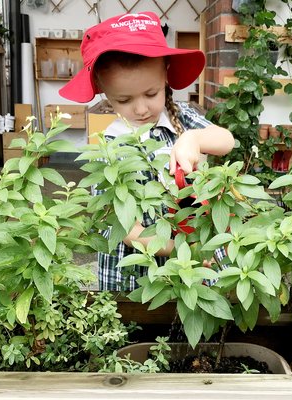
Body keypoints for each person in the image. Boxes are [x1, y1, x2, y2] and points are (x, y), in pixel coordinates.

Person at [59, 11, 234, 291]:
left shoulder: (181, 116)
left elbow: (226, 140)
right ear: (103, 91)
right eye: (124, 99)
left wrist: (193, 139)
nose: (141, 109)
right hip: (139, 271)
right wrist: (183, 246)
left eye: (151, 94)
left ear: (166, 73)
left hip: (196, 261)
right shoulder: (109, 147)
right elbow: (124, 228)